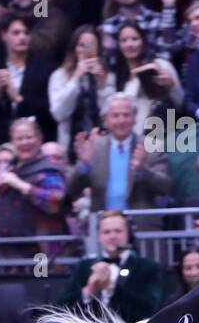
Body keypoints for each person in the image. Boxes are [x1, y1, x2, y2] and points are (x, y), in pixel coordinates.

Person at [64, 94, 171, 229]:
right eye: (115, 115)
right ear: (105, 120)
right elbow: (71, 190)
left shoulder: (151, 146)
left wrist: (144, 171)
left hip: (142, 229)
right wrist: (83, 165)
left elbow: (165, 187)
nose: (121, 120)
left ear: (134, 118)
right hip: (103, 230)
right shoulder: (93, 148)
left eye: (126, 115)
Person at [0, 117, 67, 263]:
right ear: (13, 142)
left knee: (40, 284)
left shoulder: (49, 169)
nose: (24, 142)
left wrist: (20, 185)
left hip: (41, 253)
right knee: (9, 286)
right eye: (19, 138)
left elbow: (55, 203)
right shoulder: (9, 168)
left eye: (29, 137)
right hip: (7, 250)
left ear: (39, 139)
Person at [0, 12, 56, 145]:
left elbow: (50, 109)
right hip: (0, 143)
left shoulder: (44, 68)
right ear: (4, 35)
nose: (22, 37)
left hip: (35, 140)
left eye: (26, 33)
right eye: (16, 33)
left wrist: (19, 99)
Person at [48, 28, 113, 151]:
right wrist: (76, 78)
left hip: (102, 147)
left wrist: (102, 85)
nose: (85, 50)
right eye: (82, 45)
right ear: (74, 48)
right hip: (69, 147)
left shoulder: (108, 76)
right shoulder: (59, 76)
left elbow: (110, 117)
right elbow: (58, 114)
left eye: (91, 45)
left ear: (98, 49)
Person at [113, 21, 183, 133]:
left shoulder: (161, 65)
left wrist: (171, 85)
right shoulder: (118, 74)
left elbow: (181, 103)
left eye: (135, 39)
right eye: (124, 40)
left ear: (143, 41)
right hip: (129, 138)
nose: (129, 44)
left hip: (158, 134)